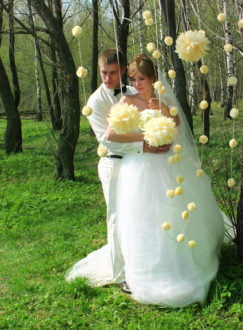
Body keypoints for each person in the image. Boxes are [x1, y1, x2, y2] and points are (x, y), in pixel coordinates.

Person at [106, 54, 227, 307]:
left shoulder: (161, 100)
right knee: (143, 215)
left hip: (167, 162)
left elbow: (176, 124)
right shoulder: (126, 101)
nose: (138, 84)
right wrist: (142, 140)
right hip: (139, 166)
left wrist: (164, 119)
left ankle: (177, 260)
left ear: (153, 79)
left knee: (171, 212)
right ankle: (145, 268)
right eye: (135, 79)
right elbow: (111, 134)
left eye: (143, 79)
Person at [65, 49, 168, 288]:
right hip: (113, 164)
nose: (107, 79)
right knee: (116, 219)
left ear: (122, 71)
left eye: (112, 73)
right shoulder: (95, 102)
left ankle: (143, 263)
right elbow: (107, 139)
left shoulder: (132, 91)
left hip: (137, 165)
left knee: (138, 216)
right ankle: (121, 275)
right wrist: (145, 144)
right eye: (103, 73)